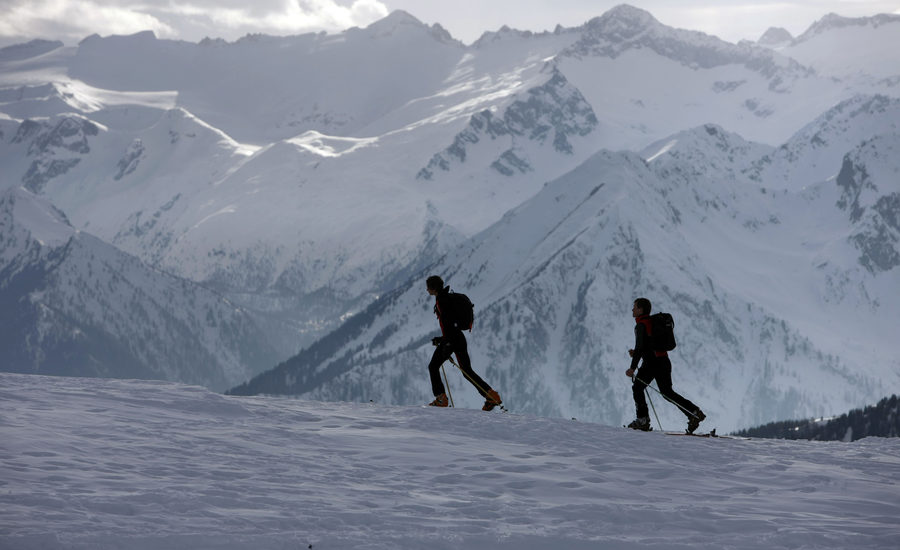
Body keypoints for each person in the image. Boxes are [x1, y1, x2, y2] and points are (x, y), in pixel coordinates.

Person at [625, 297, 705, 433]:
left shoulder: (641, 325)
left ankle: (642, 420)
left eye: (635, 307)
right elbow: (646, 346)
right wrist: (639, 353)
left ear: (641, 310)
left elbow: (639, 348)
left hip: (651, 364)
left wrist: (632, 368)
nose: (632, 309)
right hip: (663, 361)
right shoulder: (651, 322)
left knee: (638, 388)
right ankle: (694, 412)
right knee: (667, 392)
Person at [425, 275, 502, 411]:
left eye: (428, 287)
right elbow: (451, 325)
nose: (426, 290)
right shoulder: (446, 298)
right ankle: (491, 395)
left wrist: (445, 342)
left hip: (452, 339)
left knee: (433, 366)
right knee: (467, 371)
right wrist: (442, 339)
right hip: (458, 338)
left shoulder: (442, 301)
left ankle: (441, 398)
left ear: (433, 288)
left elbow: (448, 324)